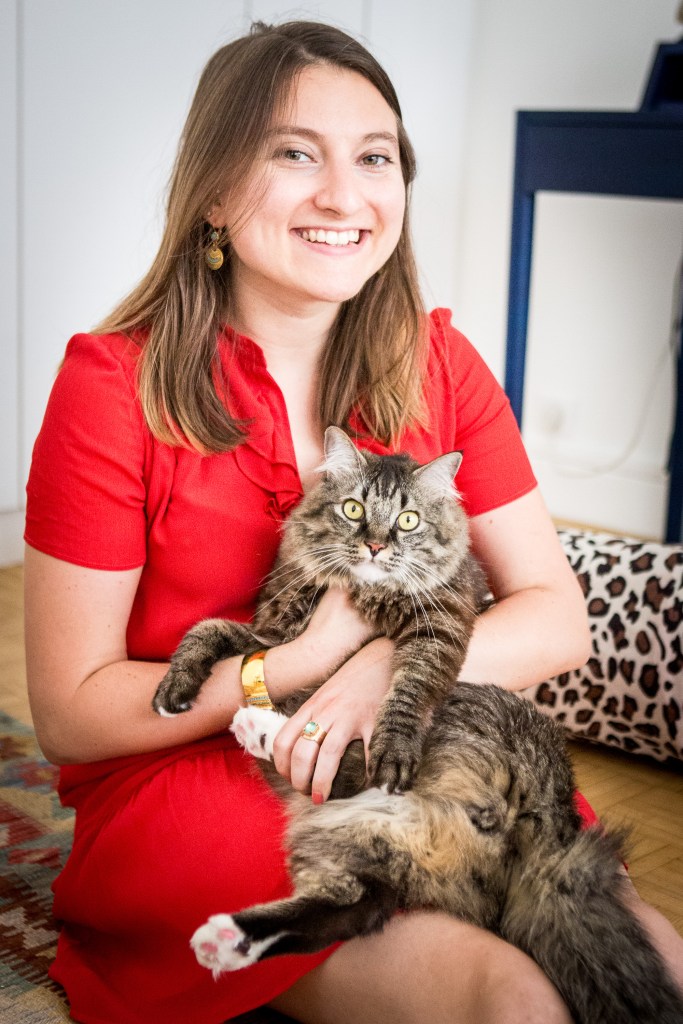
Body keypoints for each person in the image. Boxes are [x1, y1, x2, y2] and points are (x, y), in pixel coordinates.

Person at [23, 20, 683, 1024]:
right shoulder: (110, 386)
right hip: (199, 781)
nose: (343, 195)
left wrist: (382, 670)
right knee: (510, 993)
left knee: (650, 962)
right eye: (294, 153)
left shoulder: (441, 364)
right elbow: (71, 709)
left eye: (373, 157)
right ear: (212, 188)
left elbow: (555, 615)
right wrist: (291, 664)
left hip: (428, 738)